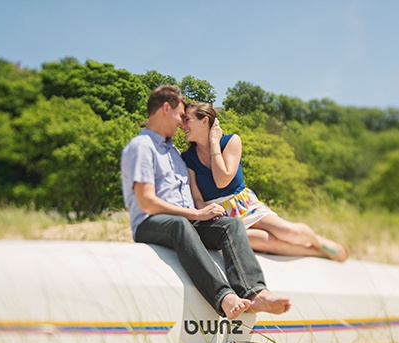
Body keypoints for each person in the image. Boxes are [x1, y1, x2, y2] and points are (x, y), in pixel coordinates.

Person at [120, 86, 291, 319]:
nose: (182, 123)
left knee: (231, 225)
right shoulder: (142, 146)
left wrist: (202, 212)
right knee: (179, 224)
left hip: (186, 221)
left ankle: (254, 292)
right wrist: (196, 215)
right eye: (181, 115)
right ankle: (224, 297)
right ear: (166, 109)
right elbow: (146, 201)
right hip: (151, 223)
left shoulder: (174, 153)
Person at [181, 102, 348, 261]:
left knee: (288, 231)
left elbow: (221, 180)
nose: (182, 125)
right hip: (219, 215)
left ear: (205, 121)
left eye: (187, 119)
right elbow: (197, 198)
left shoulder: (231, 141)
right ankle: (314, 252)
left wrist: (214, 142)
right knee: (267, 242)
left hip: (243, 204)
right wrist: (207, 211)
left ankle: (319, 242)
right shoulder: (188, 157)